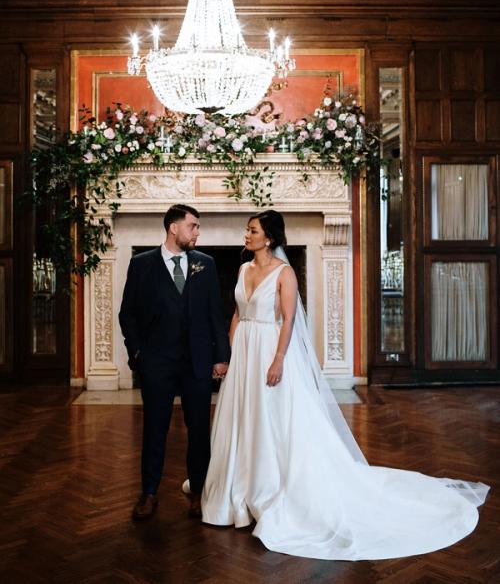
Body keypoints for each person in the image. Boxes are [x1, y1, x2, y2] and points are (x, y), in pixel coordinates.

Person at [201, 209, 489, 560]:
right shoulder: (244, 269)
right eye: (247, 230)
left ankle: (267, 486)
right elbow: (237, 313)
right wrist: (230, 353)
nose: (247, 235)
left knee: (269, 418)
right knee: (241, 418)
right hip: (245, 350)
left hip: (268, 350)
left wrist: (278, 359)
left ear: (270, 238)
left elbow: (290, 319)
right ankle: (236, 486)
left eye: (253, 230)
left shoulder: (285, 273)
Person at [119, 203, 230, 521]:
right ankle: (149, 494)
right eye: (193, 225)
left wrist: (221, 356)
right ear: (173, 228)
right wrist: (137, 352)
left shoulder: (205, 264)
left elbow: (215, 315)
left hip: (197, 363)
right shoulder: (141, 265)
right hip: (157, 364)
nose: (198, 231)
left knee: (198, 431)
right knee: (154, 429)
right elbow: (128, 314)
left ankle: (198, 493)